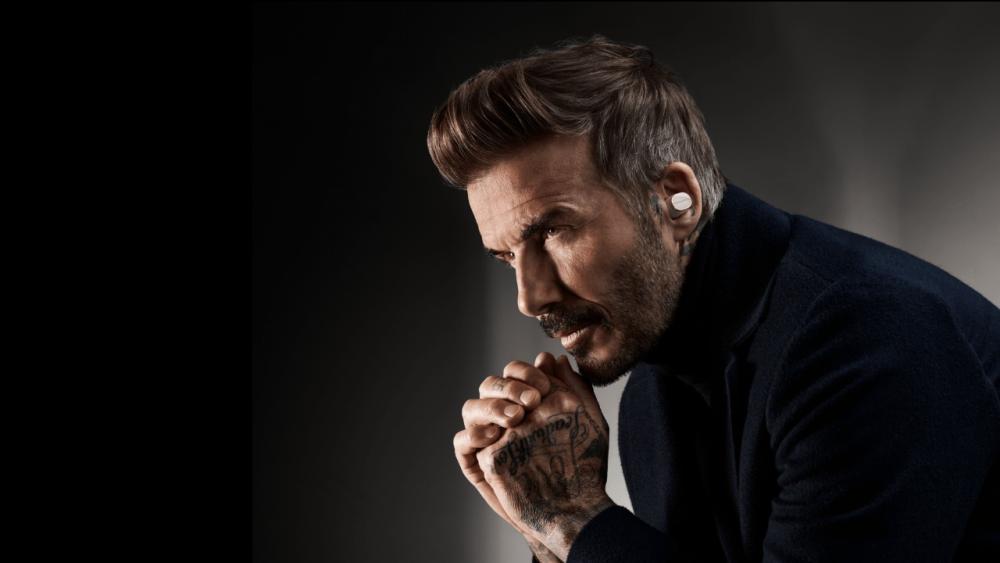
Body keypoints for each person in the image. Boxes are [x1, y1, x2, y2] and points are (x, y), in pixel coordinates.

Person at [428, 35, 1000, 562]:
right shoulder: (655, 385)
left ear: (676, 200)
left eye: (554, 231)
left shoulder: (864, 334)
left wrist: (575, 519)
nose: (529, 299)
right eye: (506, 257)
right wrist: (544, 525)